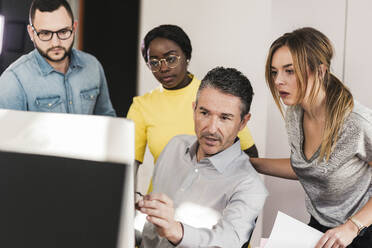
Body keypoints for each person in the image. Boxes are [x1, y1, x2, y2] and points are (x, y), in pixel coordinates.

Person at [251, 27, 372, 248]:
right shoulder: (294, 114)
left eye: (289, 71)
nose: (278, 81)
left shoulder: (356, 122)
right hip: (320, 226)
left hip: (361, 230)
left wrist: (352, 227)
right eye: (274, 72)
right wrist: (251, 164)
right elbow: (307, 168)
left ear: (320, 71)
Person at [137, 67, 267, 248]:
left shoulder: (249, 185)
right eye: (204, 113)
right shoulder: (174, 147)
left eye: (225, 118)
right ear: (194, 109)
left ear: (243, 122)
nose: (212, 128)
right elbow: (149, 228)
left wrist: (176, 230)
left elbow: (229, 242)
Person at [126, 25, 258, 191]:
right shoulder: (142, 106)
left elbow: (249, 154)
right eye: (154, 62)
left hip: (212, 206)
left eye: (171, 59)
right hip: (162, 207)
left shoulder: (212, 94)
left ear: (186, 56)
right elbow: (128, 169)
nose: (164, 68)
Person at [0, 0, 116, 116]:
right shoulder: (13, 80)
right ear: (31, 33)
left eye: (63, 31)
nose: (55, 43)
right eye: (45, 33)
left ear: (74, 28)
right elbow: (8, 133)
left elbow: (107, 119)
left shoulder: (93, 66)